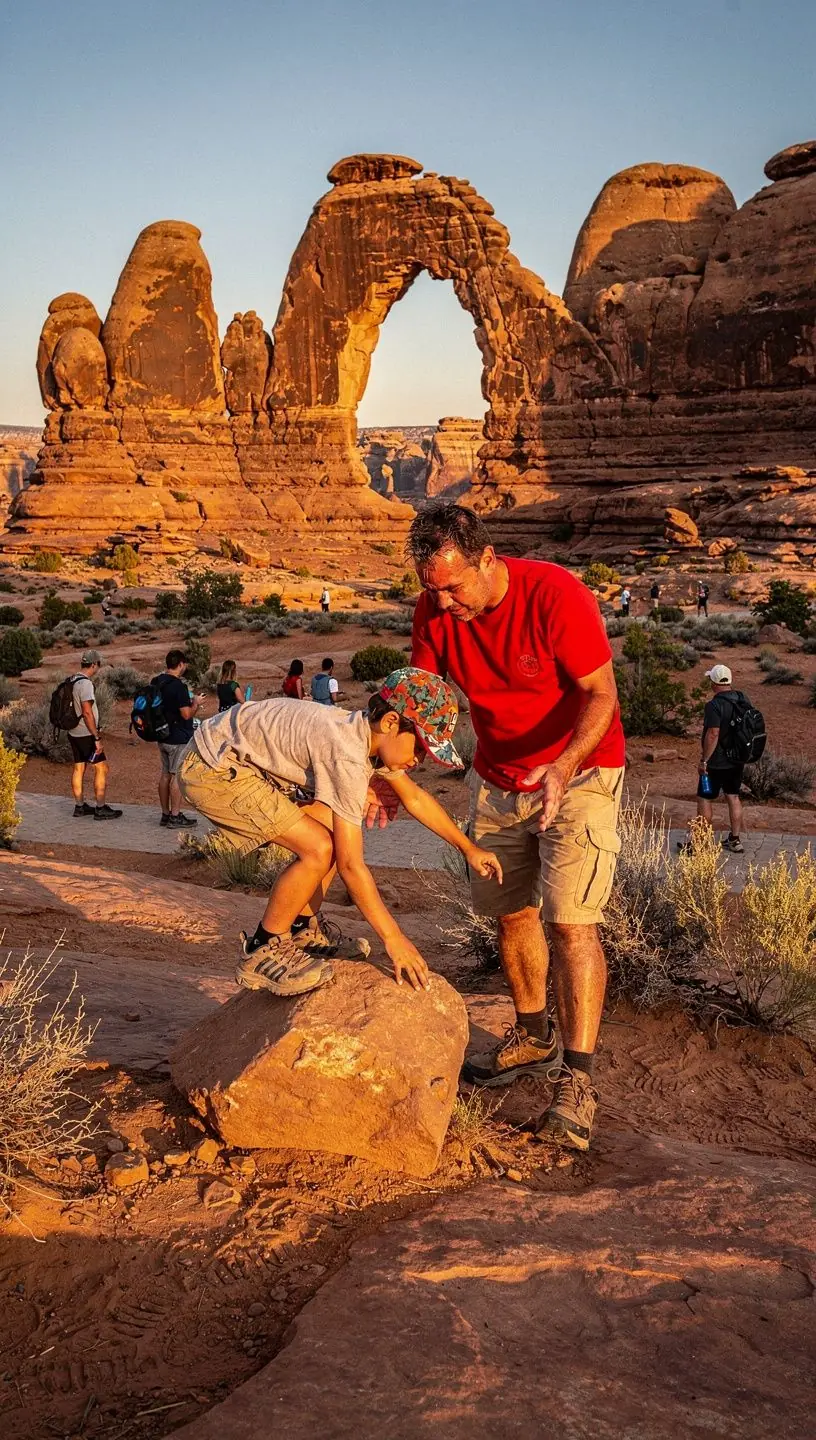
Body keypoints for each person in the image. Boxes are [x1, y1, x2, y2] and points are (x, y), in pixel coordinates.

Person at [369, 502, 625, 1153]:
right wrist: (388, 772)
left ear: (487, 559)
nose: (445, 602)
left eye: (454, 585)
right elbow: (423, 699)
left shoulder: (554, 595)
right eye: (433, 590)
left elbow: (602, 693)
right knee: (510, 913)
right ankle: (533, 1035)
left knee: (571, 924)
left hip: (583, 774)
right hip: (498, 777)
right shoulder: (433, 611)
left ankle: (578, 1079)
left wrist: (564, 766)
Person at [178, 667, 503, 996]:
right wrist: (394, 939)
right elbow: (351, 866)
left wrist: (469, 848)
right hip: (212, 768)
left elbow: (415, 798)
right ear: (391, 722)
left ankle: (302, 928)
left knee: (331, 835)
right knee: (320, 848)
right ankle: (263, 949)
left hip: (233, 758)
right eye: (420, 746)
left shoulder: (364, 736)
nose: (420, 759)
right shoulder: (347, 754)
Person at [691, 663, 747, 855]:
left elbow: (713, 733)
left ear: (714, 682)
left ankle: (700, 844)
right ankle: (735, 840)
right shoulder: (742, 699)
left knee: (705, 797)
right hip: (737, 760)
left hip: (715, 764)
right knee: (733, 796)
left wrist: (704, 761)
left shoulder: (713, 705)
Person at [67, 649, 122, 821]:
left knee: (79, 767)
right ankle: (100, 808)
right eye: (98, 663)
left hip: (73, 732)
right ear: (93, 664)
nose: (98, 666)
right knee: (101, 768)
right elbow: (87, 712)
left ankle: (80, 806)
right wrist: (96, 737)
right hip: (86, 733)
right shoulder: (86, 684)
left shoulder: (72, 679)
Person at [151, 649, 200, 828]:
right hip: (177, 737)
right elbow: (186, 715)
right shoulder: (178, 686)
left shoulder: (157, 681)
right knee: (177, 777)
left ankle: (165, 814)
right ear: (180, 664)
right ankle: (175, 816)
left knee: (165, 775)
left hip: (161, 734)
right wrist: (196, 703)